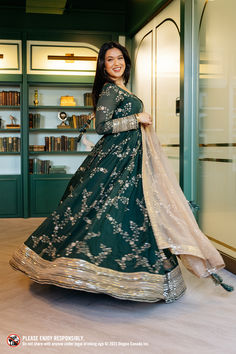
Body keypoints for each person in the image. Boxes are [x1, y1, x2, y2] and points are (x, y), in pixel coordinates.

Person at [9, 42, 233, 303]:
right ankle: (80, 268)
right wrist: (136, 119)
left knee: (135, 213)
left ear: (126, 61)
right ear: (103, 66)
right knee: (101, 213)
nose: (116, 63)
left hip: (132, 161)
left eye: (119, 58)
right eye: (109, 59)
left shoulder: (123, 89)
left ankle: (142, 277)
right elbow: (102, 127)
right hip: (114, 162)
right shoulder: (109, 90)